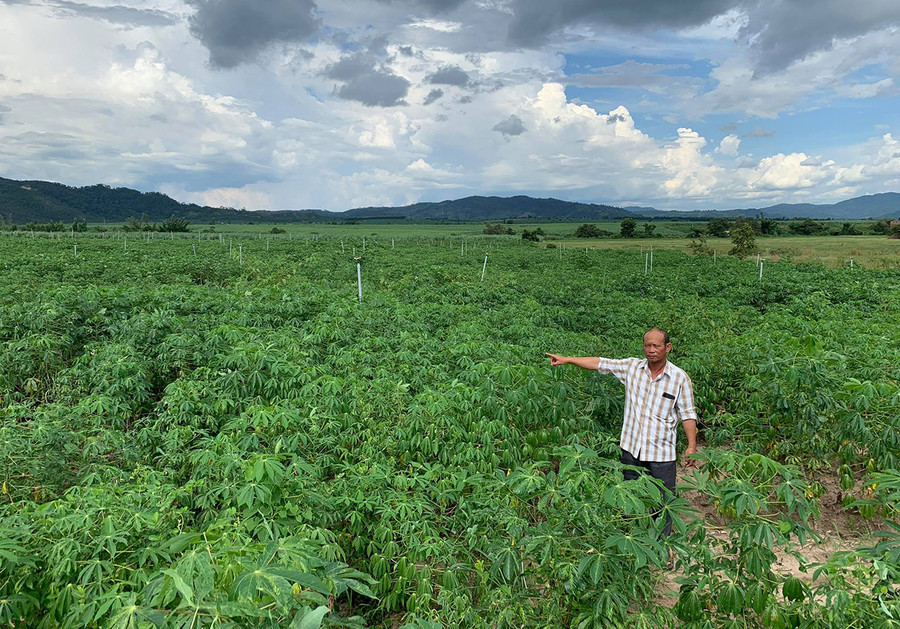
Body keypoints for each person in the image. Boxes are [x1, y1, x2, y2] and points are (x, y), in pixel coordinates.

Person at [546, 328, 698, 536]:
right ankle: (632, 543)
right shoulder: (631, 368)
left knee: (664, 503)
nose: (651, 350)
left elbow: (688, 413)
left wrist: (691, 446)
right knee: (630, 500)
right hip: (631, 449)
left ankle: (664, 548)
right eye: (647, 345)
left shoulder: (679, 378)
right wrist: (568, 359)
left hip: (661, 453)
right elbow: (600, 362)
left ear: (668, 348)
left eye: (656, 346)